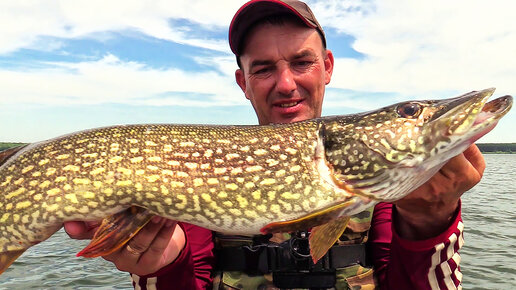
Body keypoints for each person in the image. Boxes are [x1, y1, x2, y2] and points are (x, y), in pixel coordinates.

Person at [64, 0, 485, 289]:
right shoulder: (198, 168)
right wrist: (163, 266)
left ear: (327, 67)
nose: (286, 84)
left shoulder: (390, 191)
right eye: (264, 69)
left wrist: (430, 227)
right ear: (243, 83)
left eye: (302, 62)